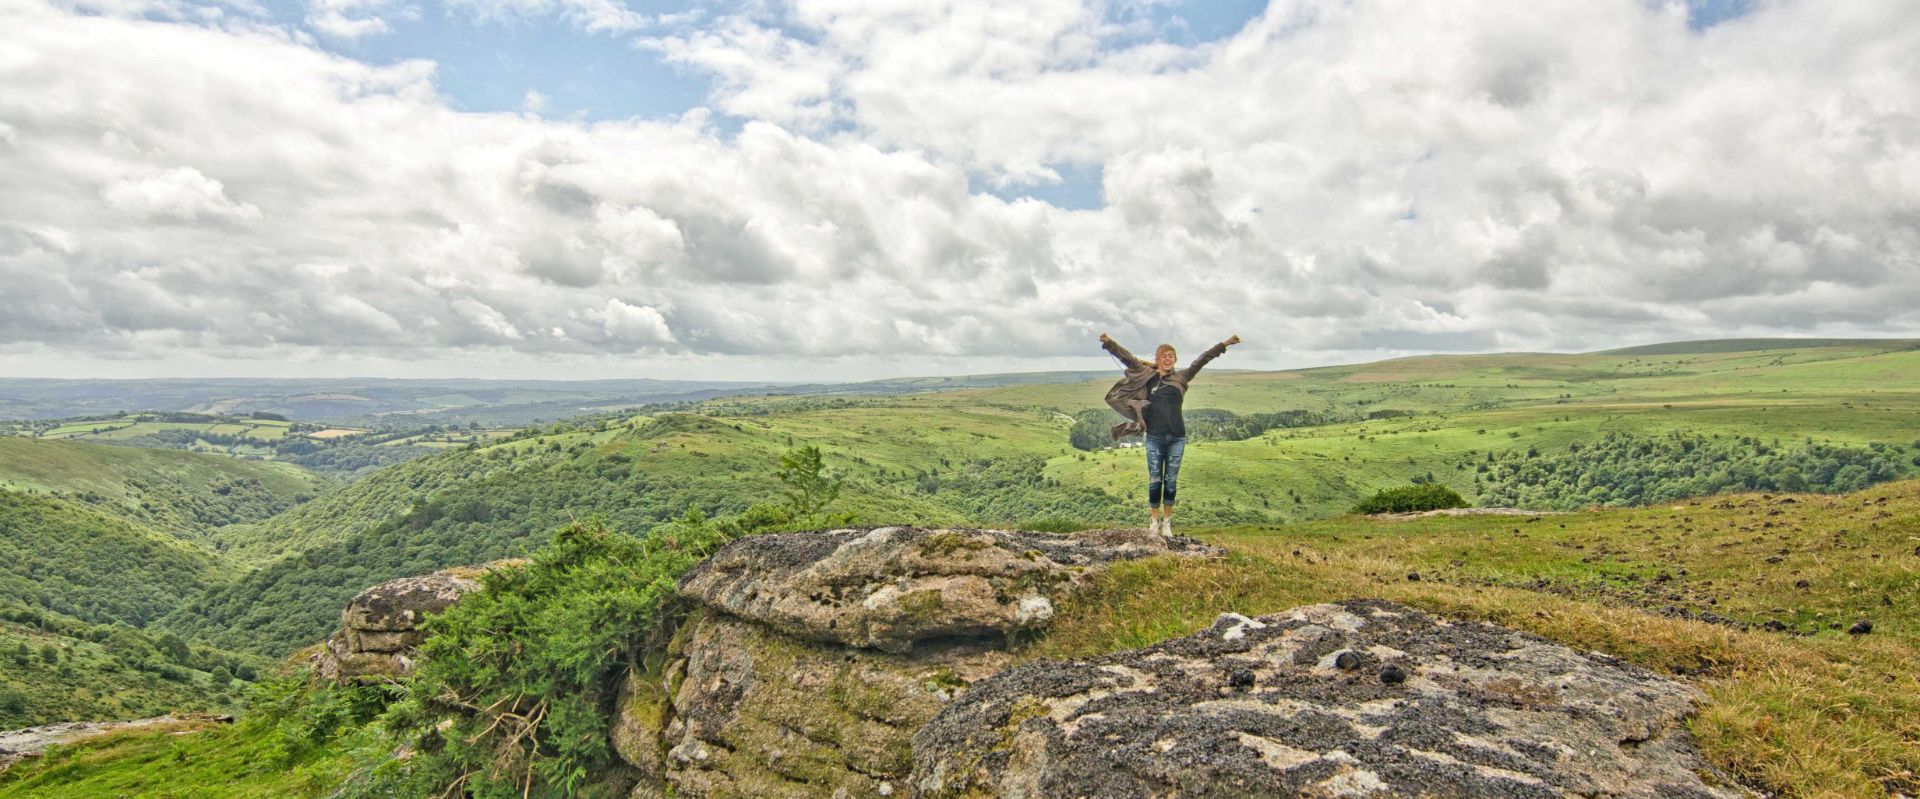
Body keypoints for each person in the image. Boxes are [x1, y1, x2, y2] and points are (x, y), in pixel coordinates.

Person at [1099, 332, 1241, 536]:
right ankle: (1154, 522)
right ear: (1157, 359)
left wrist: (1225, 343)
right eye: (1163, 356)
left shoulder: (1182, 377)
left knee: (1171, 481)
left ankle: (1167, 523)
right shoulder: (1147, 377)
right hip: (1155, 437)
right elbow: (1128, 358)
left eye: (1171, 356)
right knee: (1155, 479)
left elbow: (1203, 359)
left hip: (1177, 436)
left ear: (1174, 360)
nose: (1167, 359)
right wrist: (1109, 343)